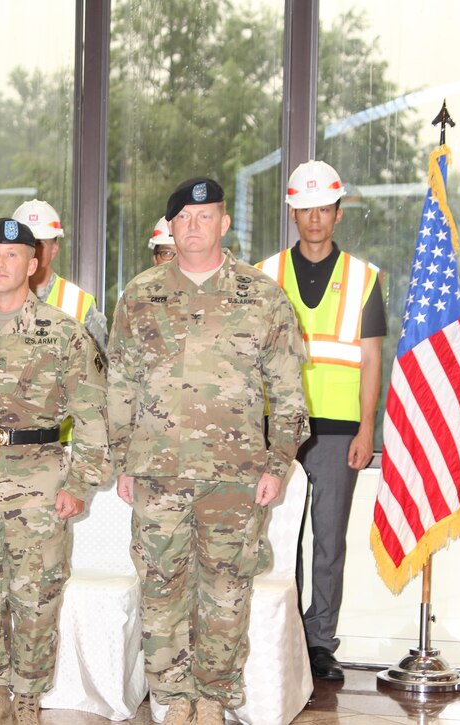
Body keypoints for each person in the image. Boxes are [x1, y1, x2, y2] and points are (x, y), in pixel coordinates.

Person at [107, 177, 309, 725]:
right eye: (183, 219)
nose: (194, 226)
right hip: (156, 473)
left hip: (236, 475)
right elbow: (120, 383)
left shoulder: (262, 296)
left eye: (206, 216)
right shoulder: (140, 295)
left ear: (224, 224)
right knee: (161, 588)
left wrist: (279, 462)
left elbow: (288, 389)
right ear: (170, 227)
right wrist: (122, 459)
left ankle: (213, 698)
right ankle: (174, 699)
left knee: (226, 590)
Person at [0, 218, 110, 725]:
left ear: (34, 264)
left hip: (40, 482)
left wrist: (80, 485)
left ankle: (27, 694)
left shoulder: (64, 334)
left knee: (36, 594)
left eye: (12, 255)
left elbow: (94, 415)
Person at [256, 160, 386, 682]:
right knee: (280, 536)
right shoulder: (264, 275)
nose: (314, 217)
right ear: (293, 213)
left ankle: (319, 642)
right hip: (275, 430)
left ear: (337, 213)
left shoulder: (364, 277)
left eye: (323, 208)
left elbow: (372, 358)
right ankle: (278, 633)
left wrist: (366, 429)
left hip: (337, 429)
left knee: (329, 539)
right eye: (304, 208)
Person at [11, 199, 108, 355]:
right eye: (23, 244)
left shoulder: (78, 304)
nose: (30, 251)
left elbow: (101, 370)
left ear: (54, 249)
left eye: (37, 243)